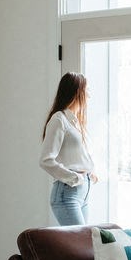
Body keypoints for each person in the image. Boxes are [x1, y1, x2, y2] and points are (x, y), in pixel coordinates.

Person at [40, 72, 98, 226]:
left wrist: (89, 173)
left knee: (84, 244)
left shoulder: (77, 122)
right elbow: (46, 160)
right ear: (77, 92)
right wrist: (75, 177)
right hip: (67, 193)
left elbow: (76, 154)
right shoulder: (59, 119)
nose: (89, 95)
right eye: (86, 90)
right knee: (80, 245)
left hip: (83, 192)